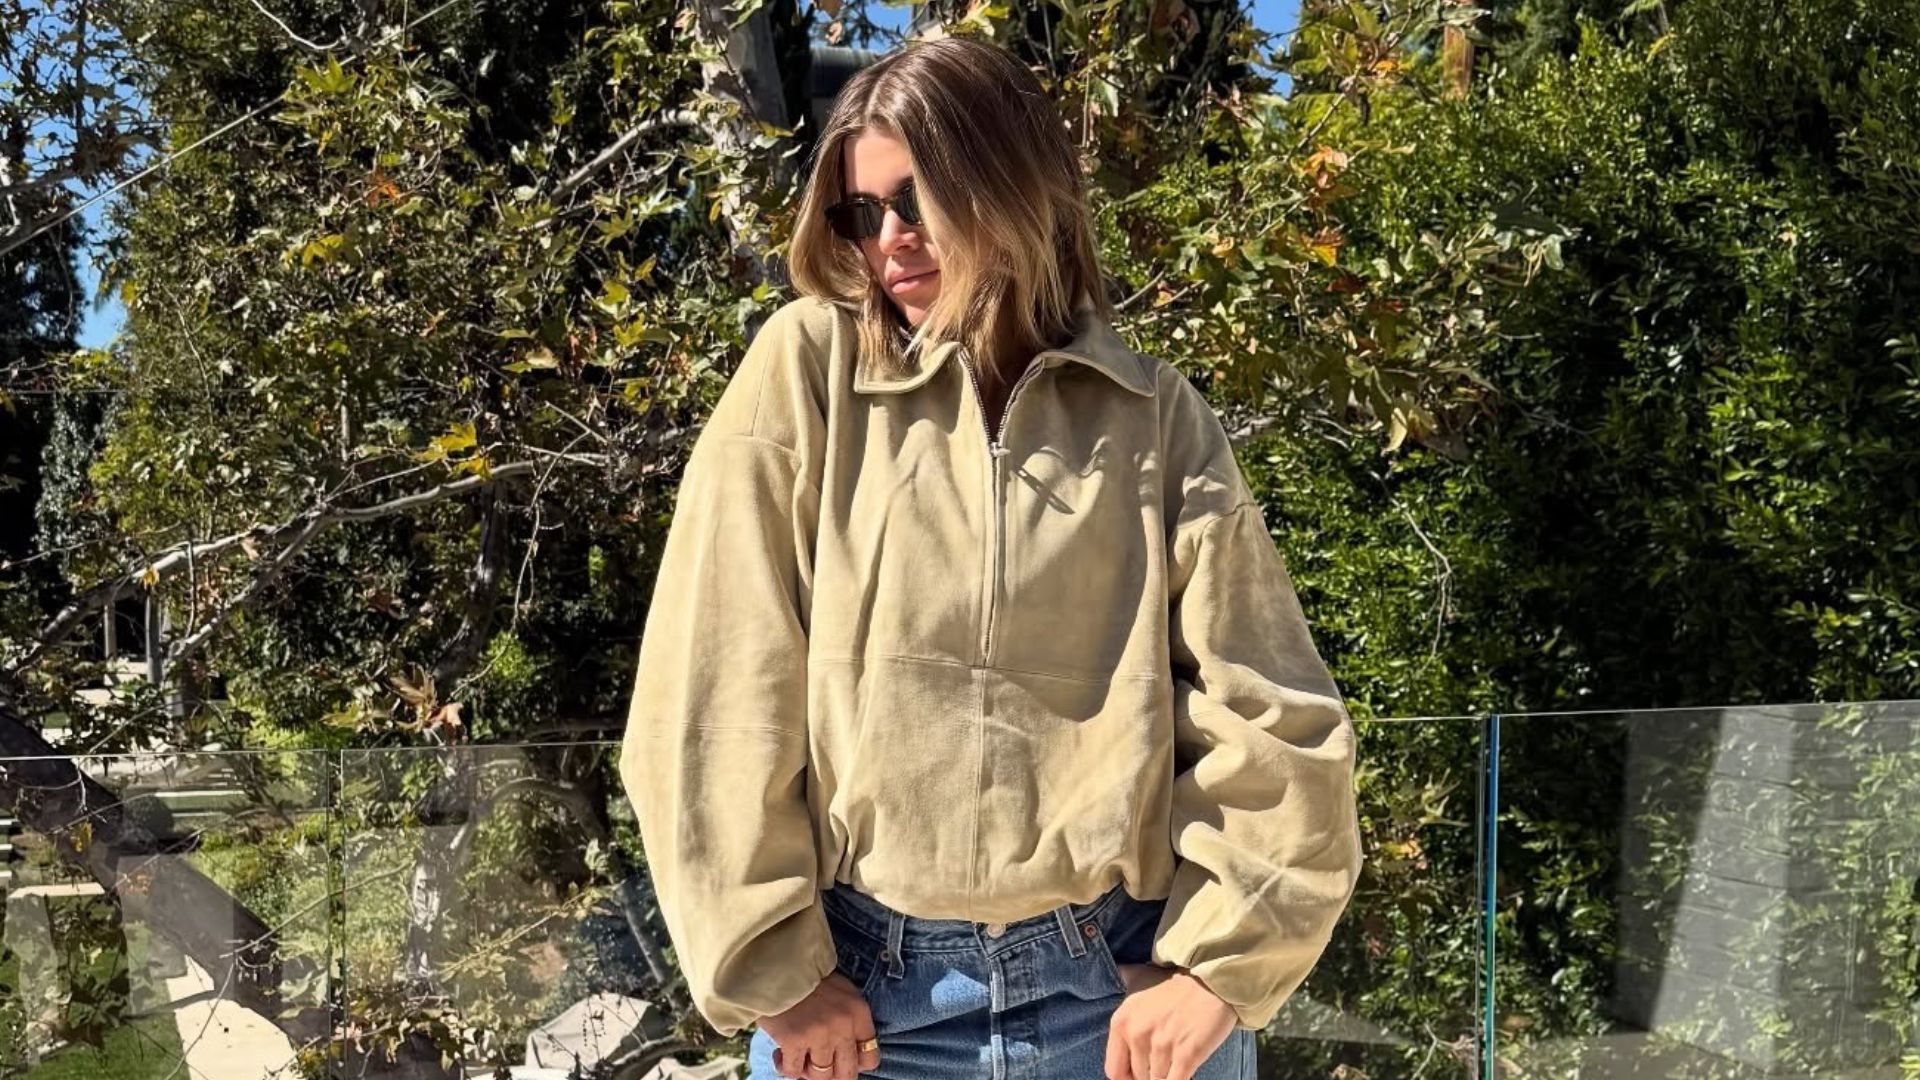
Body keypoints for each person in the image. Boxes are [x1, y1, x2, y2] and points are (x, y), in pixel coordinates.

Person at [620, 33, 1362, 1080]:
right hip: (862, 1010)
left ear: (1008, 182)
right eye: (858, 212)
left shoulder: (1151, 416)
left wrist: (1218, 969)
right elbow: (711, 695)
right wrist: (770, 969)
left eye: (913, 199)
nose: (889, 239)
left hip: (1120, 997)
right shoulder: (807, 373)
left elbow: (1270, 707)